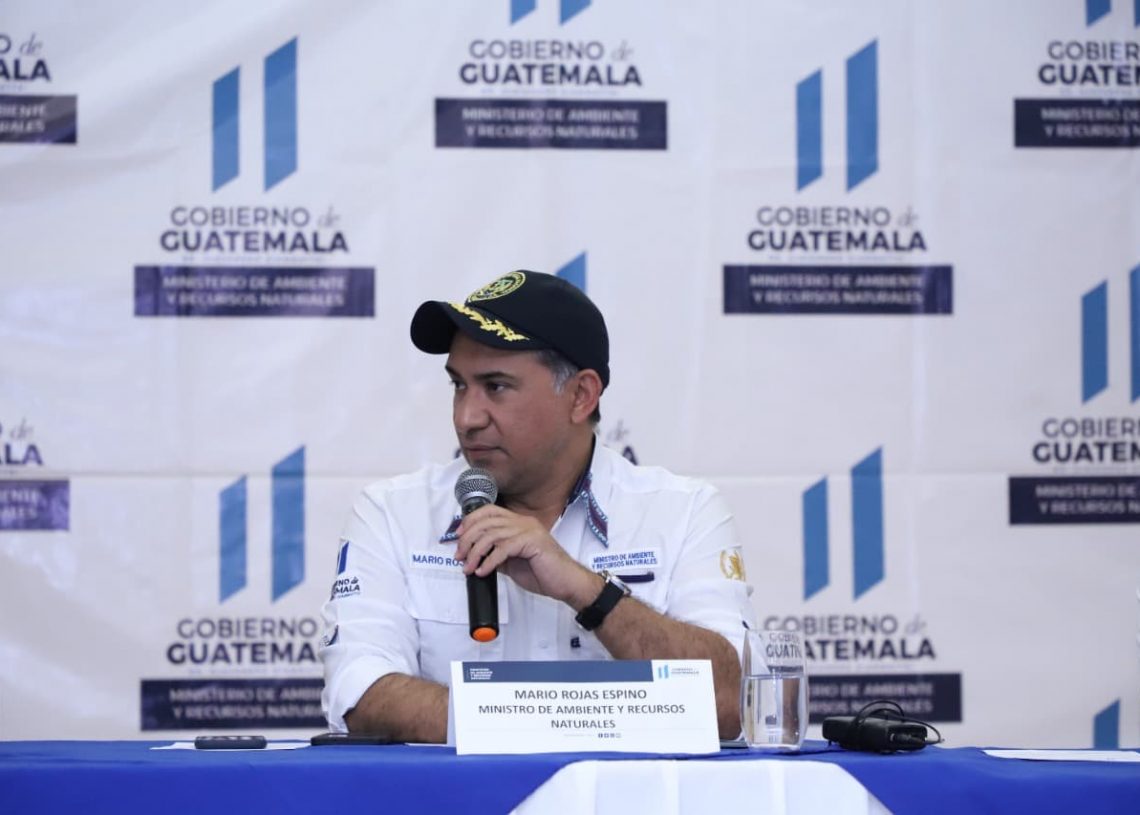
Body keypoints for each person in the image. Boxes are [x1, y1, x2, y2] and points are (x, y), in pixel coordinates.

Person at [320, 270, 756, 741]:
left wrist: (588, 591)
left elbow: (732, 702)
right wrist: (544, 718)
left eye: (496, 386)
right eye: (459, 386)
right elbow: (359, 692)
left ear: (580, 396)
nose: (466, 417)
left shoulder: (683, 512)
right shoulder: (392, 513)